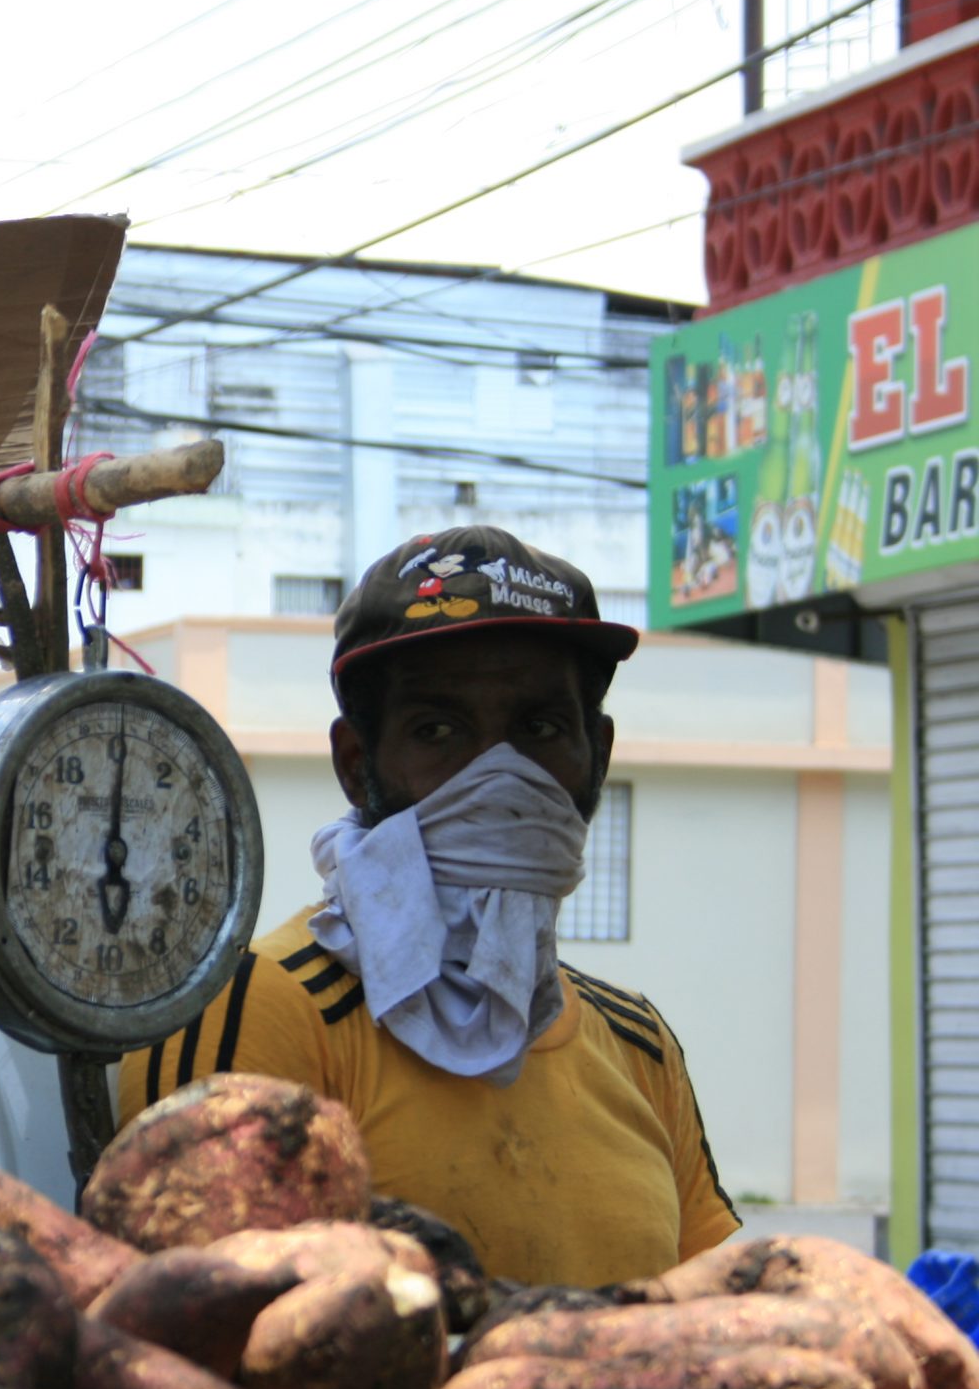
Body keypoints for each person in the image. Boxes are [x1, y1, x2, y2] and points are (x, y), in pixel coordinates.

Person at [114, 526, 741, 1288]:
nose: (500, 775)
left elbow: (721, 1316)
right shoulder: (256, 1005)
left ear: (597, 756)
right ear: (356, 765)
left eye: (540, 729)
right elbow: (184, 1328)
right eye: (438, 730)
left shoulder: (641, 1048)